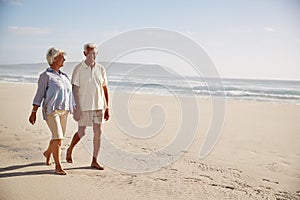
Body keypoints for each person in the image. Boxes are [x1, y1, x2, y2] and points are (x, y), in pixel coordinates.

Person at [29, 47, 74, 175]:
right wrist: (34, 111)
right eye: (61, 57)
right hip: (51, 110)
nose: (64, 59)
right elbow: (40, 94)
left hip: (64, 111)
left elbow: (70, 94)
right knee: (58, 138)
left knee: (57, 137)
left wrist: (74, 108)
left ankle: (47, 153)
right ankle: (58, 166)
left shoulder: (65, 76)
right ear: (54, 59)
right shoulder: (45, 76)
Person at [66, 43, 109, 170]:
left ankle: (94, 161)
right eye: (90, 53)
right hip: (83, 106)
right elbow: (74, 89)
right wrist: (77, 108)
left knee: (98, 132)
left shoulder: (101, 69)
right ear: (85, 53)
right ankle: (70, 149)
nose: (92, 55)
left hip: (99, 106)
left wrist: (107, 107)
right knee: (81, 132)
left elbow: (105, 88)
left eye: (94, 53)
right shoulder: (78, 68)